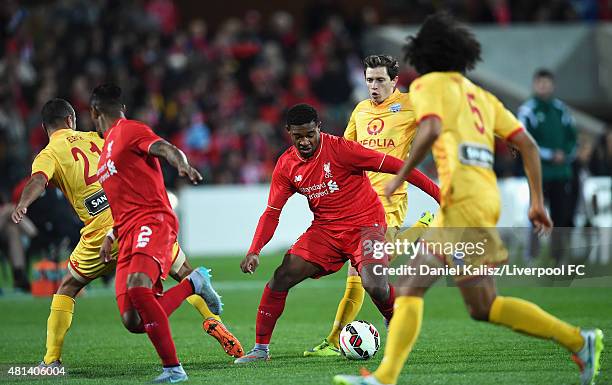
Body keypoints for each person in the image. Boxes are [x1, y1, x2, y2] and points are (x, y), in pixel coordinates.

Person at [334, 13, 603, 385]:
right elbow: (526, 143)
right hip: (480, 198)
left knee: (416, 288)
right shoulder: (481, 96)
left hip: (461, 201)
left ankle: (384, 378)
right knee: (480, 305)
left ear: (422, 53)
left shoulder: (428, 86)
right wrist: (537, 201)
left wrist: (400, 174)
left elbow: (430, 128)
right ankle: (579, 340)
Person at [11, 98, 242, 373]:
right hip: (135, 219)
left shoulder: (49, 154)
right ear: (72, 120)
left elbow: (38, 180)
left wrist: (24, 203)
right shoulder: (99, 138)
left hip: (100, 236)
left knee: (68, 288)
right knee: (184, 272)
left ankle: (51, 360)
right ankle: (213, 321)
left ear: (45, 127)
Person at [234, 103, 440, 364]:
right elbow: (272, 211)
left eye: (310, 134)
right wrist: (254, 250)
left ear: (318, 128)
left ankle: (394, 320)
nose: (305, 141)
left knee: (374, 284)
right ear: (288, 132)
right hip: (326, 231)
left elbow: (399, 166)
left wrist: (441, 196)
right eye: (298, 136)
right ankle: (260, 350)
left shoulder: (343, 150)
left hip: (367, 226)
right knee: (282, 275)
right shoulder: (286, 165)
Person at [90, 84, 224, 383]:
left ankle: (173, 370)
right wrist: (111, 235)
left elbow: (164, 147)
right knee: (133, 320)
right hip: (125, 233)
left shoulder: (129, 130)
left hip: (153, 220)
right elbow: (121, 200)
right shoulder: (104, 156)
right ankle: (194, 283)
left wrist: (181, 163)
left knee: (139, 287)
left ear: (94, 112)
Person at [305, 54, 435, 357]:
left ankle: (421, 228)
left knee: (371, 270)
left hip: (389, 201)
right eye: (369, 80)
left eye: (379, 80)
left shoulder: (412, 105)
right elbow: (342, 150)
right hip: (359, 202)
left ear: (394, 81)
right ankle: (335, 340)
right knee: (357, 276)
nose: (373, 86)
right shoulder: (361, 110)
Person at [518, 69, 577, 264]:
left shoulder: (561, 110)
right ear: (535, 85)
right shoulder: (528, 110)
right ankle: (532, 256)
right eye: (540, 83)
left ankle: (558, 256)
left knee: (561, 215)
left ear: (553, 85)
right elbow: (523, 140)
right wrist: (550, 154)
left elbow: (572, 138)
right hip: (538, 173)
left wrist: (565, 153)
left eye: (547, 83)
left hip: (561, 173)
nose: (543, 86)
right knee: (536, 213)